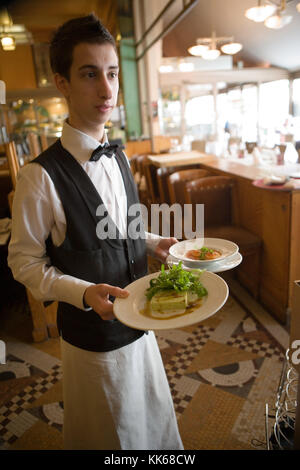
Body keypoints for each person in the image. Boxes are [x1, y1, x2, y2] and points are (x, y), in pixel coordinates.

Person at [7, 14, 183, 450]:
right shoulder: (39, 177)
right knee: (111, 433)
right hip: (94, 344)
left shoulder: (119, 156)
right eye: (90, 74)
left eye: (112, 73)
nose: (107, 90)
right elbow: (23, 263)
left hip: (142, 324)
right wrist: (83, 293)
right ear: (61, 82)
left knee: (152, 424)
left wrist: (153, 242)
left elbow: (120, 230)